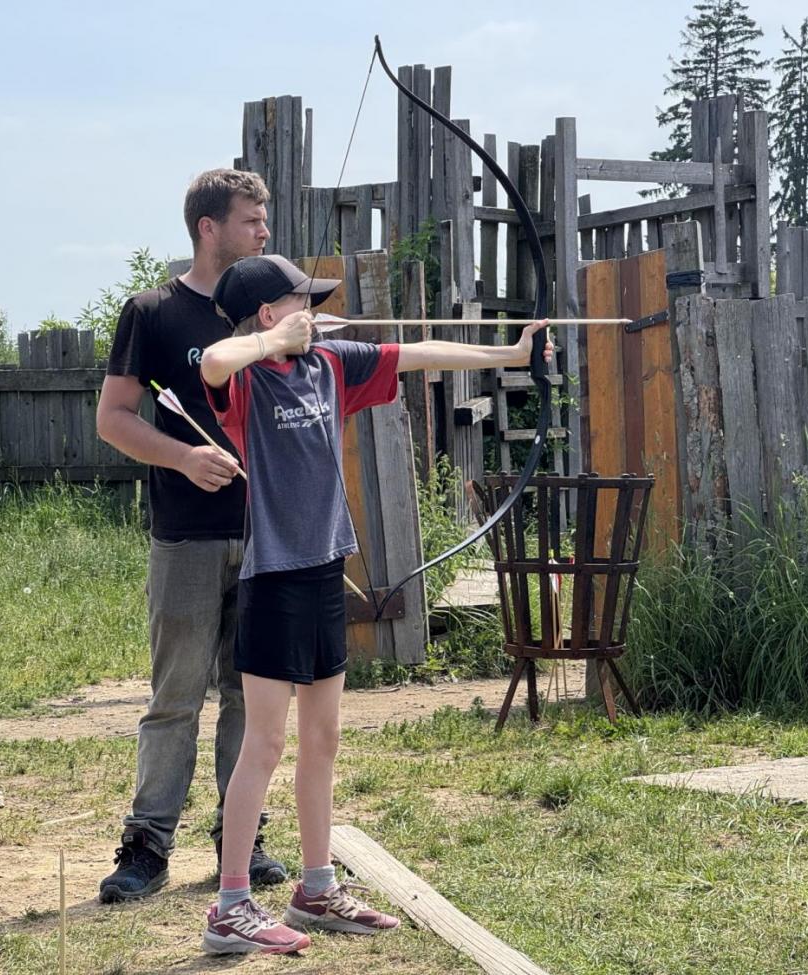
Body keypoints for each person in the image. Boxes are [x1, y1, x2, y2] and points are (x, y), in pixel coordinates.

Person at [198, 254, 553, 954]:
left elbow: (418, 352)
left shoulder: (329, 365)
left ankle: (316, 886)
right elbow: (211, 358)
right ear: (269, 313)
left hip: (326, 565)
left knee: (322, 738)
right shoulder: (245, 379)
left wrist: (507, 352)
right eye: (302, 300)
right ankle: (230, 904)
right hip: (273, 576)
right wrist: (273, 343)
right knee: (265, 741)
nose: (317, 309)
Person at [96, 170, 287, 903]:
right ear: (208, 227)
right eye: (249, 220)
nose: (262, 231)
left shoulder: (270, 314)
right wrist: (182, 455)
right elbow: (114, 418)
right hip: (186, 536)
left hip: (265, 537)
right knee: (176, 696)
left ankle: (244, 838)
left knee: (252, 695)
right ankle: (147, 845)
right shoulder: (152, 311)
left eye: (263, 218)